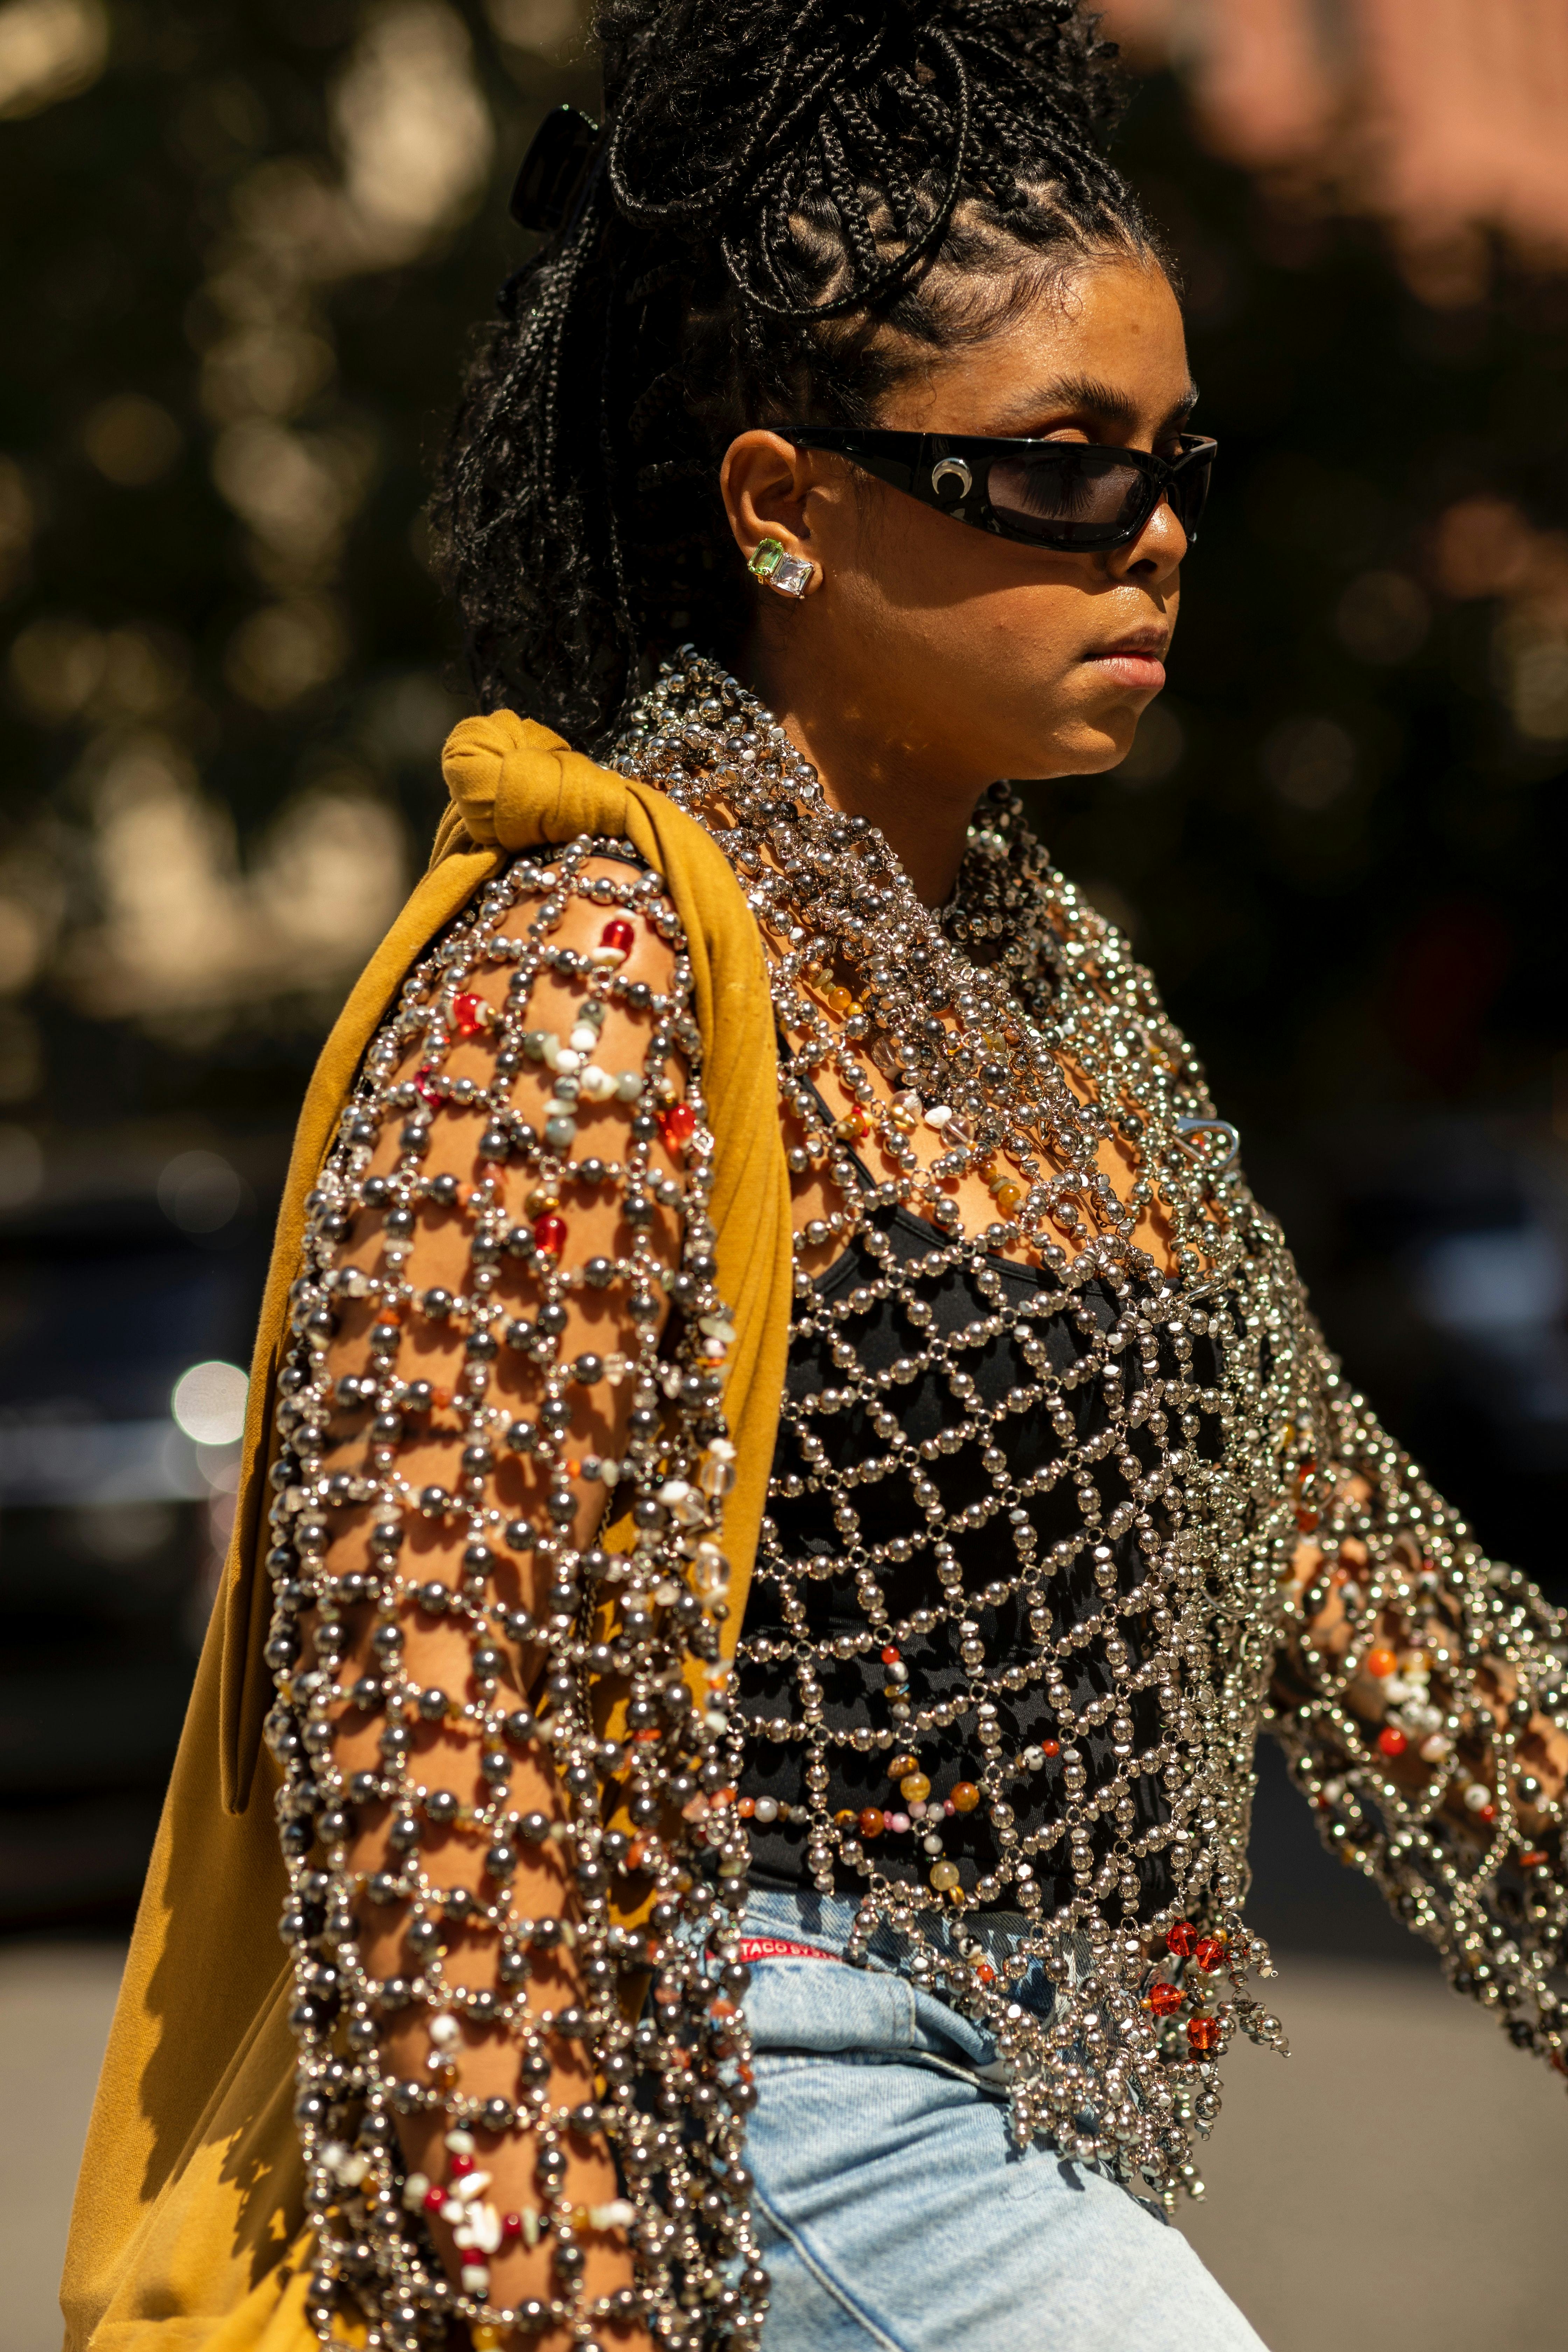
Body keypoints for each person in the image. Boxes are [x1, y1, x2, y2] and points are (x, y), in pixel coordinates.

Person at [63, 4, 1568, 2350]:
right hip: (750, 2099)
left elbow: (1404, 1640)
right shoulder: (584, 975)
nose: (1157, 533)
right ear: (783, 502)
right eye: (1061, 466)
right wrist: (566, 2295)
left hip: (1031, 2110)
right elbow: (445, 1762)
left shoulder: (1069, 1022)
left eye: (1177, 462)